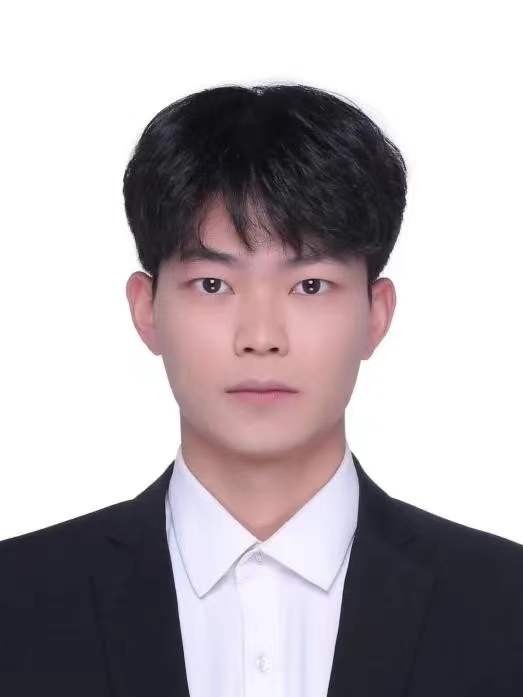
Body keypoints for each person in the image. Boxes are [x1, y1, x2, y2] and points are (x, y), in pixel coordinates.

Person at [1, 83, 522, 697]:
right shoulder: (19, 601)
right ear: (146, 310)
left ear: (376, 315)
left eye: (310, 286)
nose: (261, 337)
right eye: (213, 285)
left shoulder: (503, 605)